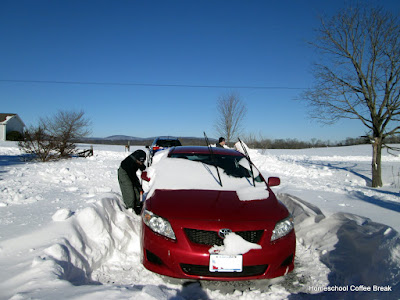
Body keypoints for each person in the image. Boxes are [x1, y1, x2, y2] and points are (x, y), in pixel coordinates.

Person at [118, 149, 146, 215]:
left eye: (142, 162)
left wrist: (143, 168)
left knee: (138, 191)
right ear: (136, 159)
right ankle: (130, 209)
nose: (140, 163)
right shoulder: (129, 164)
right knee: (129, 190)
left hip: (131, 172)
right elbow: (133, 179)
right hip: (124, 172)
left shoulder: (138, 158)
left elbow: (140, 165)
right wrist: (138, 186)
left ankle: (137, 204)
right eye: (139, 162)